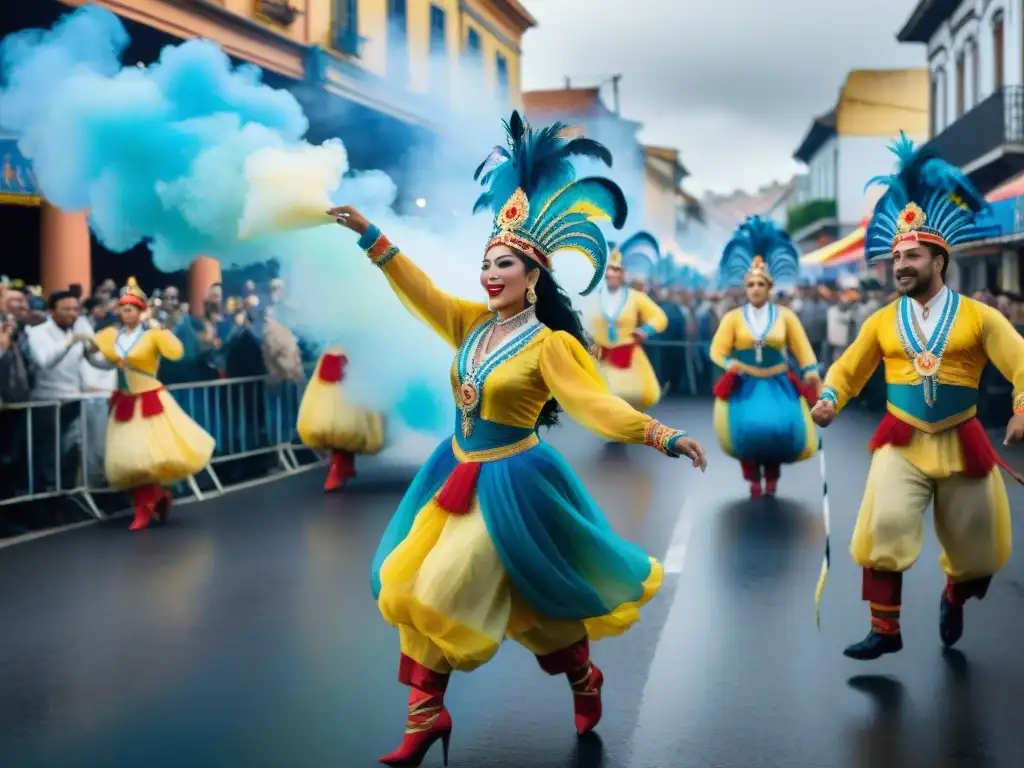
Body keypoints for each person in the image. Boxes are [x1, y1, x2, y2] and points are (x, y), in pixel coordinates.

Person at [328, 111, 707, 766]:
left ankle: (578, 679)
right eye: (485, 263)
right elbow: (420, 291)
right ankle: (431, 715)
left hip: (515, 479)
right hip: (454, 473)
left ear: (532, 275)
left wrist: (661, 434)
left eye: (503, 264)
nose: (489, 273)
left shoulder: (550, 344)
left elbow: (595, 405)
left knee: (462, 590)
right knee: (421, 584)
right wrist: (373, 237)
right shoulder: (470, 324)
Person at [810, 134, 1024, 660]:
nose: (900, 265)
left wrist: (1021, 409)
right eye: (896, 257)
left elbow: (1021, 361)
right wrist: (831, 397)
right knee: (883, 524)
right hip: (901, 440)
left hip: (963, 439)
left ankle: (955, 595)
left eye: (911, 256)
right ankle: (885, 629)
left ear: (939, 260)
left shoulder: (980, 316)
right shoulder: (882, 320)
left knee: (978, 549)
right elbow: (848, 367)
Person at [84, 278, 216, 530]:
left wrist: (164, 331)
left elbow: (177, 354)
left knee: (148, 457)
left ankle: (147, 505)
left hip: (149, 398)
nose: (126, 314)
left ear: (140, 312)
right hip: (126, 401)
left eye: (130, 309)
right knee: (131, 460)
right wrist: (87, 352)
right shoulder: (114, 337)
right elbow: (104, 364)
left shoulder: (152, 335)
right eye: (123, 310)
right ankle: (153, 499)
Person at [709, 216, 821, 497]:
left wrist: (810, 370)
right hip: (744, 383)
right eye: (751, 284)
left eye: (761, 284)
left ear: (769, 288)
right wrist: (730, 363)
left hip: (777, 381)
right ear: (745, 288)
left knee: (779, 429)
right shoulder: (734, 318)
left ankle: (772, 476)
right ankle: (752, 478)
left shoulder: (786, 316)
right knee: (747, 429)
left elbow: (802, 347)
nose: (756, 289)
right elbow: (717, 350)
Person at [590, 232, 669, 411]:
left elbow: (660, 317)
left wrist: (645, 330)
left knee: (634, 397)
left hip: (627, 356)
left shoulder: (636, 297)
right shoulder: (592, 298)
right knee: (602, 400)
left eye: (616, 270)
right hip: (600, 356)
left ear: (623, 274)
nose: (612, 274)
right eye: (609, 270)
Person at [296, 348, 385, 491]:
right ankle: (338, 469)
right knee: (342, 424)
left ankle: (342, 467)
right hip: (342, 368)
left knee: (347, 424)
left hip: (349, 367)